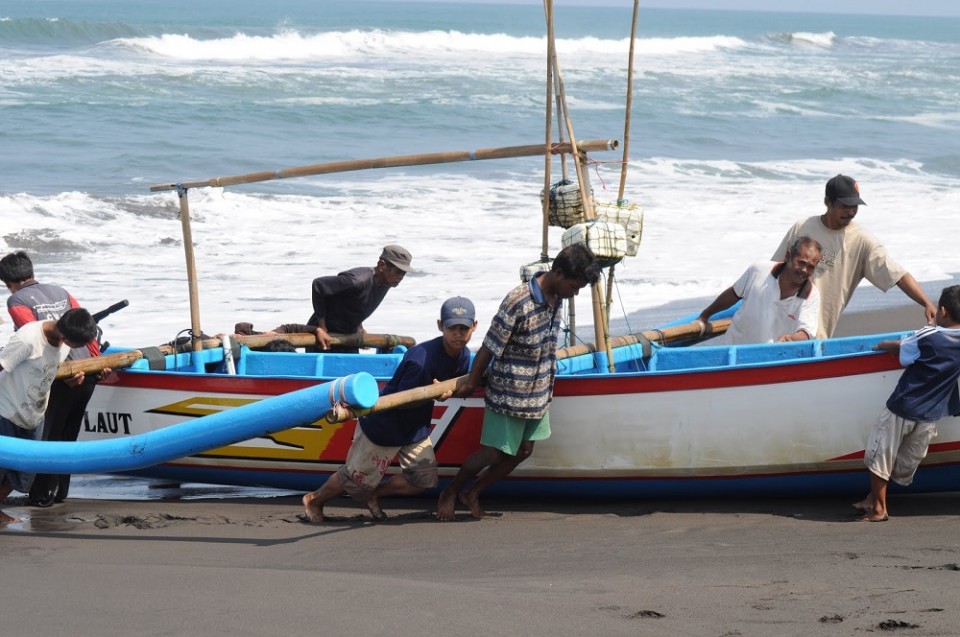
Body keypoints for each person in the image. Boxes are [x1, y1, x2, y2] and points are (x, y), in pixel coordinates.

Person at [436, 244, 600, 521]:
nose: (576, 293)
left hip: (539, 392)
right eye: (574, 286)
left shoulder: (557, 296)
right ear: (558, 273)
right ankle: (451, 491)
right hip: (509, 391)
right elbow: (489, 346)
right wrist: (472, 382)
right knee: (491, 453)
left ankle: (473, 492)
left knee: (525, 450)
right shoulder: (518, 301)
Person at [301, 296, 478, 522]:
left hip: (415, 427)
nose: (458, 334)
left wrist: (449, 392)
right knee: (354, 480)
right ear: (440, 326)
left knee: (423, 480)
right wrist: (437, 394)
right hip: (384, 424)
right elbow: (402, 400)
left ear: (474, 327)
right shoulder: (420, 360)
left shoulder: (463, 354)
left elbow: (454, 383)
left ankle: (375, 493)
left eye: (464, 328)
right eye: (452, 327)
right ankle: (314, 500)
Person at [772, 174, 936, 339]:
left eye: (855, 206)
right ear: (828, 202)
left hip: (816, 333)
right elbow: (774, 269)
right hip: (777, 320)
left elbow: (898, 275)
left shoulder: (862, 241)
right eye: (844, 206)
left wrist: (926, 303)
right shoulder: (803, 227)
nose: (850, 211)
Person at [0, 251, 103, 507]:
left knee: (48, 439)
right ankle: (58, 492)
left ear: (6, 282)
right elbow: (80, 323)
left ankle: (41, 495)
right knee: (65, 435)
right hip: (83, 371)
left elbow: (35, 335)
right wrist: (97, 362)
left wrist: (69, 371)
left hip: (63, 376)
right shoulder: (61, 290)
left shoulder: (17, 300)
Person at [853, 285, 960, 522]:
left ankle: (879, 509)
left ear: (942, 311)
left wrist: (884, 345)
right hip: (930, 416)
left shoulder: (927, 336)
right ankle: (872, 498)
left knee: (881, 454)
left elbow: (903, 352)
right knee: (903, 463)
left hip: (902, 407)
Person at [0, 308, 98, 523]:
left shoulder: (62, 344)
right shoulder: (27, 339)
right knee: (3, 466)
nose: (78, 350)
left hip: (35, 413)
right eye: (78, 345)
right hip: (7, 410)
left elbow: (46, 371)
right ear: (65, 335)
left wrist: (67, 381)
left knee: (27, 471)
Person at [697, 236, 822, 345]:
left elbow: (806, 332)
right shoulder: (759, 270)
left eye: (811, 267)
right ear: (788, 256)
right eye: (801, 263)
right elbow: (733, 294)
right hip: (734, 347)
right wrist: (705, 315)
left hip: (768, 359)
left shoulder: (812, 295)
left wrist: (792, 338)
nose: (804, 270)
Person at [306, 244, 414, 351]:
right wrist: (322, 326)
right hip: (324, 337)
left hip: (348, 336)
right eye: (398, 272)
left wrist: (359, 326)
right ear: (382, 265)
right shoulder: (357, 281)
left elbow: (355, 302)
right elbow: (319, 284)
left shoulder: (387, 282)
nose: (400, 278)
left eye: (403, 274)